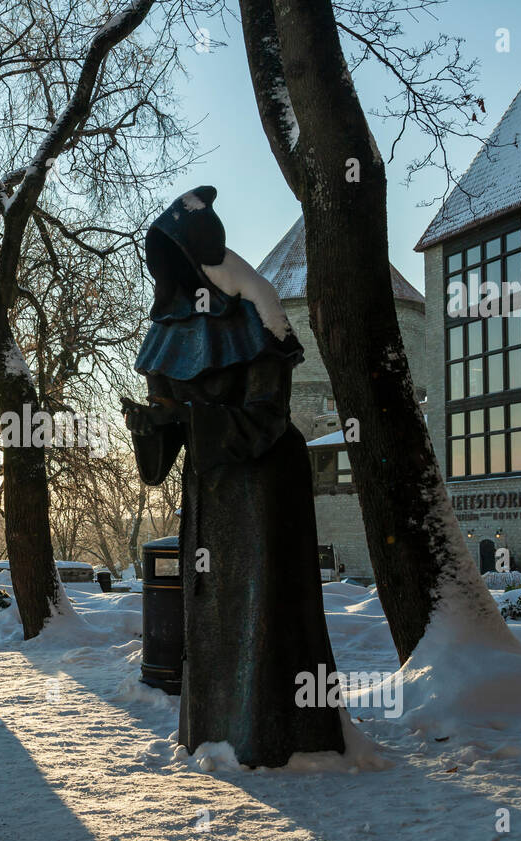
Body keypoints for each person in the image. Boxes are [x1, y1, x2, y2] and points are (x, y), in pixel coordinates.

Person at [124, 186, 344, 767]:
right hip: (211, 496)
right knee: (213, 613)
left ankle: (275, 738)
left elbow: (268, 420)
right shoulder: (166, 335)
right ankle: (216, 735)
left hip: (268, 490)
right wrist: (149, 427)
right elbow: (157, 467)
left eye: (180, 255)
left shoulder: (256, 318)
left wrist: (187, 418)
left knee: (265, 612)